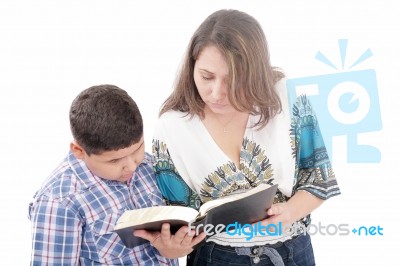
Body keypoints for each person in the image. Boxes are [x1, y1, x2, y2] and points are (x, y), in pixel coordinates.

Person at [148, 9, 340, 266]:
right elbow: (179, 221)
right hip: (215, 257)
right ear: (191, 66)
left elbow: (318, 179)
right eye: (206, 76)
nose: (216, 93)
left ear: (255, 73)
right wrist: (172, 248)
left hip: (292, 252)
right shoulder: (171, 127)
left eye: (232, 80)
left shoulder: (287, 97)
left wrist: (290, 211)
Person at [28, 84, 204, 265]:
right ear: (78, 150)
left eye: (138, 149)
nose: (131, 166)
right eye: (114, 161)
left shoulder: (149, 164)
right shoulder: (59, 201)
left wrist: (172, 250)